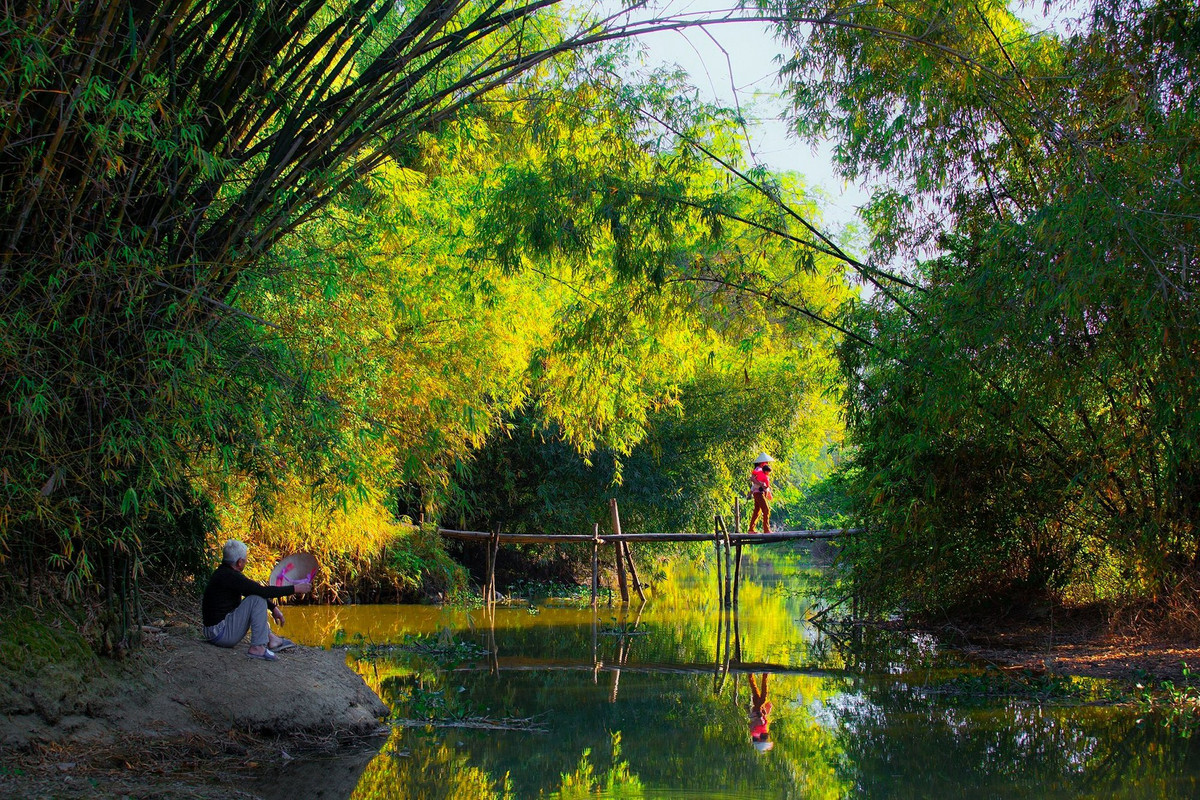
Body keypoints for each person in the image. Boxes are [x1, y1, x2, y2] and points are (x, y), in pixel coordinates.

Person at [201, 539, 312, 661]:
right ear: (239, 562)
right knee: (256, 599)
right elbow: (262, 592)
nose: (246, 561)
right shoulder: (230, 576)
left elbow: (252, 591)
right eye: (245, 559)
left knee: (255, 597)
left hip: (215, 632)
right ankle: (257, 648)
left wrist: (273, 608)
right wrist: (295, 588)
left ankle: (271, 639)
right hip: (220, 634)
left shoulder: (224, 573)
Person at [748, 453, 774, 534]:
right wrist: (761, 485)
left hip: (759, 492)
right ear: (761, 462)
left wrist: (768, 491)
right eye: (766, 462)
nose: (767, 463)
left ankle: (751, 529)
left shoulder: (761, 470)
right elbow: (752, 479)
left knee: (757, 511)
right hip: (758, 492)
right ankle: (766, 529)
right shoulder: (758, 469)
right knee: (766, 509)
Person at [748, 672, 773, 752]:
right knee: (755, 692)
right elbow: (761, 722)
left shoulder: (756, 733)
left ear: (760, 741)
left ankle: (765, 674)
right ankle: (750, 674)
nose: (765, 740)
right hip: (758, 712)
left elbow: (760, 722)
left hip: (758, 712)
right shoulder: (756, 733)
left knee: (763, 697)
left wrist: (758, 718)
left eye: (764, 741)